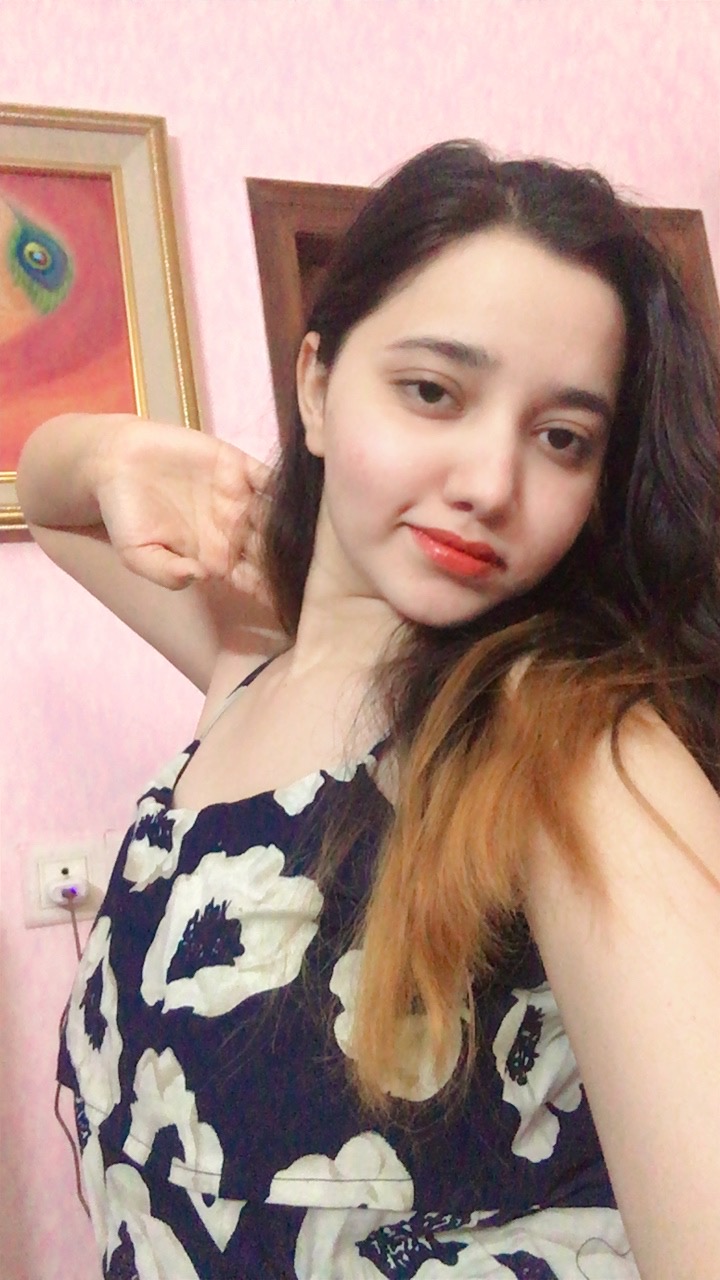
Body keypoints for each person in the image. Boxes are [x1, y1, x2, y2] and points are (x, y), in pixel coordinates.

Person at [16, 139, 720, 1280]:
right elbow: (56, 507)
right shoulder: (248, 664)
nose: (490, 483)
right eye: (433, 391)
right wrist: (119, 447)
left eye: (562, 438)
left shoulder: (576, 749)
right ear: (316, 385)